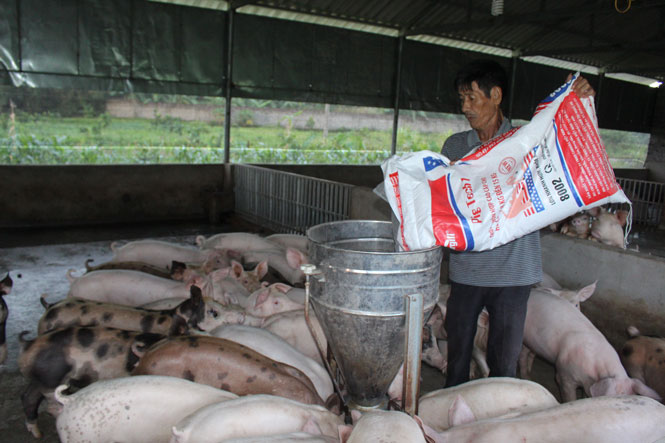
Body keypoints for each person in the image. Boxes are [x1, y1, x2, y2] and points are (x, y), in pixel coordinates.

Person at [441, 59, 595, 387]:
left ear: (495, 95)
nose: (465, 107)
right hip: (467, 271)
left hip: (513, 274)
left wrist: (577, 103)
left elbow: (570, 154)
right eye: (462, 99)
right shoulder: (454, 147)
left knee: (504, 362)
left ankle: (499, 414)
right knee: (457, 356)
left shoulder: (529, 142)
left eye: (472, 98)